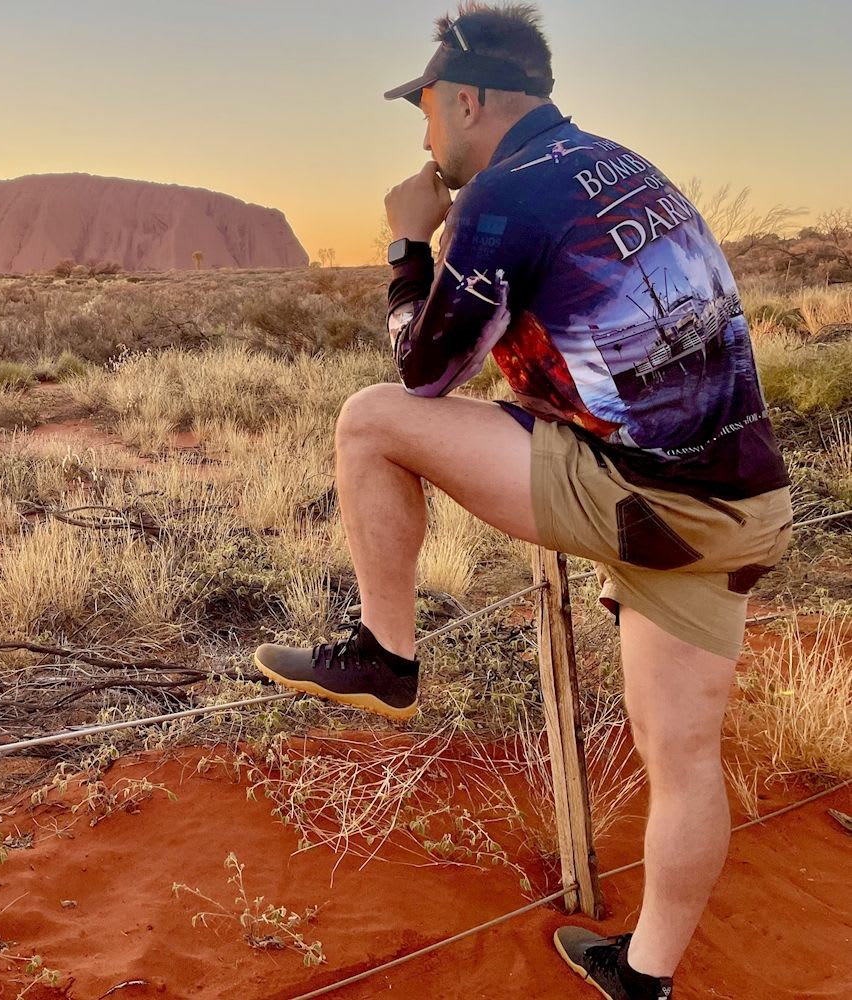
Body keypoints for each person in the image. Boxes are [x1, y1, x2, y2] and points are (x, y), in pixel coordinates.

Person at [251, 4, 793, 998]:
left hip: (643, 497)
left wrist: (408, 243)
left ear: (466, 99)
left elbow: (424, 372)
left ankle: (386, 653)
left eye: (423, 111)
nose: (421, 134)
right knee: (683, 756)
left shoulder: (503, 195)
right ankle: (645, 977)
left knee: (371, 421)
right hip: (742, 496)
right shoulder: (618, 163)